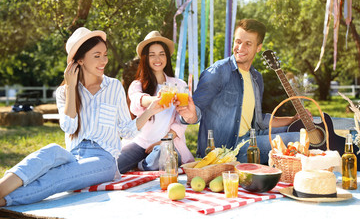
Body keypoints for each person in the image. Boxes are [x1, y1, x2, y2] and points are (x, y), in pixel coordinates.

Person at [0, 27, 162, 206]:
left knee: (58, 176)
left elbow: (127, 131)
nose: (104, 61)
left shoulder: (114, 87)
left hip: (104, 160)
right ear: (80, 60)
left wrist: (151, 111)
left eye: (105, 55)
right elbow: (69, 127)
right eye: (97, 55)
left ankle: (5, 200)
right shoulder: (64, 92)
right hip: (74, 155)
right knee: (49, 152)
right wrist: (70, 88)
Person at [176, 19, 301, 164]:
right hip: (227, 151)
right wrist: (189, 115)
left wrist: (292, 120)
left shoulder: (256, 78)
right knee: (296, 140)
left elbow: (258, 121)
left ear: (258, 47)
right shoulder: (217, 72)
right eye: (238, 41)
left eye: (248, 44)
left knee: (300, 131)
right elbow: (195, 112)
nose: (240, 48)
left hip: (251, 139)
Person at [117, 31, 195, 173]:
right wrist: (154, 101)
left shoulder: (178, 84)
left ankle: (141, 165)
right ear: (145, 58)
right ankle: (141, 163)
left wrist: (163, 141)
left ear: (167, 57)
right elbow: (137, 101)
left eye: (161, 54)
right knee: (115, 165)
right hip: (139, 143)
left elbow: (181, 122)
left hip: (165, 144)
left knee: (161, 155)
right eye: (152, 55)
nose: (157, 58)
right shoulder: (137, 84)